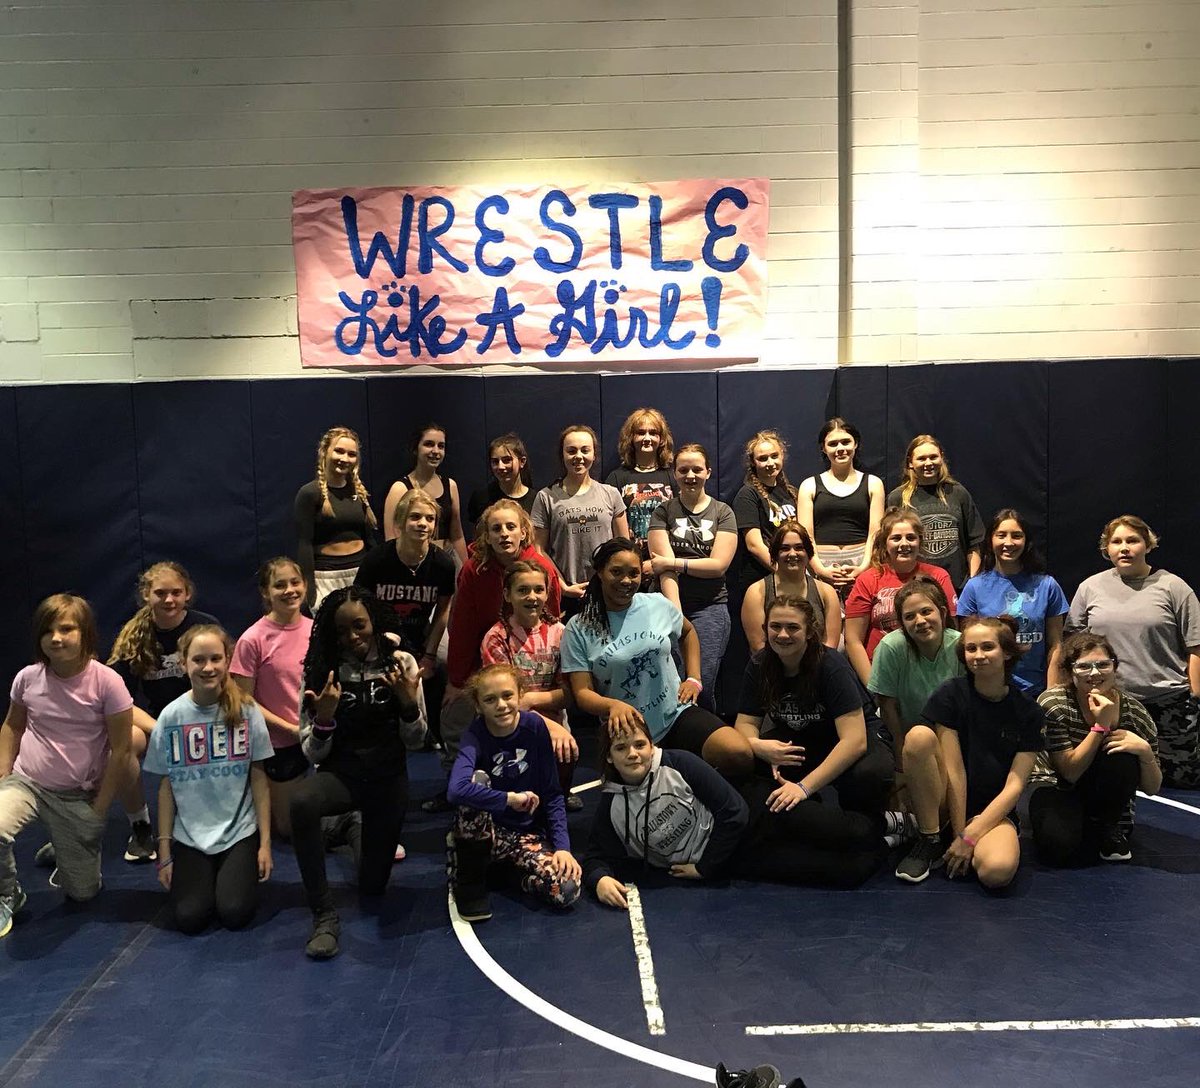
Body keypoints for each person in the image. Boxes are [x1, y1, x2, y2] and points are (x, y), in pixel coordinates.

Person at [583, 715, 884, 903]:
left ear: (651, 745)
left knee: (852, 832)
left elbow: (734, 811)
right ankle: (886, 845)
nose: (633, 754)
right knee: (850, 872)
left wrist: (704, 868)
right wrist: (600, 880)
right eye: (621, 749)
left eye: (639, 744)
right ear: (608, 757)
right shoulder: (613, 803)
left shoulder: (677, 763)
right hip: (739, 858)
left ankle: (894, 825)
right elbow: (596, 855)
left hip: (760, 812)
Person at [290, 587, 426, 959]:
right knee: (301, 802)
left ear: (374, 621)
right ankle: (324, 915)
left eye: (359, 625)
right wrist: (324, 719)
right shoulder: (320, 669)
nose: (353, 636)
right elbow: (311, 751)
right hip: (342, 777)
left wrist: (407, 705)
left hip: (387, 779)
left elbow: (417, 741)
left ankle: (350, 827)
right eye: (342, 630)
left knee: (373, 887)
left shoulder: (402, 664)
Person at [733, 595, 895, 881]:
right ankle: (814, 824)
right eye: (775, 626)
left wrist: (804, 788)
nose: (783, 635)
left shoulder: (830, 665)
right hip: (804, 738)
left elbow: (853, 740)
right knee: (744, 760)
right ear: (765, 628)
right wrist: (758, 746)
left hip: (852, 737)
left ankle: (883, 822)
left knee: (871, 773)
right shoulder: (760, 665)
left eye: (793, 628)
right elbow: (745, 724)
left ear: (810, 632)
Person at [562, 539, 752, 777]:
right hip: (629, 730)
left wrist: (693, 678)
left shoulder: (656, 604)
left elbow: (688, 632)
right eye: (616, 572)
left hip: (675, 714)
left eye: (634, 573)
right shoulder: (578, 628)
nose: (626, 581)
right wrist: (613, 705)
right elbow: (582, 694)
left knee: (738, 753)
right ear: (600, 572)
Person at [0, 595, 133, 937]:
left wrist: (99, 811)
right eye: (48, 630)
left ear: (85, 633)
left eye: (66, 628)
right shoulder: (28, 678)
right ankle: (7, 894)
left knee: (84, 893)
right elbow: (12, 725)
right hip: (27, 782)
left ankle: (64, 845)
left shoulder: (107, 683)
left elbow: (120, 751)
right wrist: (4, 772)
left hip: (75, 797)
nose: (56, 637)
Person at [432, 500, 563, 813]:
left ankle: (552, 785)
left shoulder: (542, 568)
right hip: (486, 653)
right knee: (457, 714)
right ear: (486, 536)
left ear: (523, 532)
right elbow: (462, 627)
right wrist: (457, 680)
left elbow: (552, 619)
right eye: (496, 529)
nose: (504, 534)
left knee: (549, 731)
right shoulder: (473, 570)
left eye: (510, 527)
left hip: (533, 660)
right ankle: (459, 782)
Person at [894, 616, 1043, 888]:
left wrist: (971, 835)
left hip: (990, 810)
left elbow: (1015, 785)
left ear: (1007, 652)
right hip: (944, 801)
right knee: (918, 737)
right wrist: (959, 833)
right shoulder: (951, 694)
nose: (978, 655)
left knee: (996, 873)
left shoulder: (1028, 711)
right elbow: (955, 770)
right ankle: (930, 838)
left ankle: (964, 842)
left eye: (988, 647)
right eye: (971, 648)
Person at [146, 625, 273, 934]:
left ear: (227, 660)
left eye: (216, 658)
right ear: (182, 663)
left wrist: (265, 844)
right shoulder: (171, 717)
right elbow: (165, 789)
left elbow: (259, 779)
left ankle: (231, 871)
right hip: (192, 835)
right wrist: (164, 853)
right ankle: (205, 874)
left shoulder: (247, 711)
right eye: (198, 659)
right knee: (189, 917)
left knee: (234, 912)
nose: (208, 667)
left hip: (238, 831)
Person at [1066, 514, 1200, 788]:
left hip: (1168, 701)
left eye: (1132, 540)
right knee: (1115, 779)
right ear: (1107, 549)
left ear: (1148, 545)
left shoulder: (1174, 587)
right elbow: (1073, 644)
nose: (1124, 548)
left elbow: (1195, 646)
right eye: (1117, 542)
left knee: (1180, 784)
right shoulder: (1090, 588)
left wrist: (1195, 696)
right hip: (1110, 703)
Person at [447, 664, 581, 922]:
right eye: (490, 699)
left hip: (526, 835)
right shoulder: (475, 735)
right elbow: (456, 790)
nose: (501, 705)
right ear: (478, 705)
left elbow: (552, 793)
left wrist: (563, 847)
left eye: (507, 695)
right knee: (475, 782)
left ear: (520, 695)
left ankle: (510, 874)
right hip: (489, 831)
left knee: (566, 889)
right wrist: (509, 799)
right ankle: (470, 879)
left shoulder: (535, 728)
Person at [108, 560, 220, 864]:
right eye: (160, 593)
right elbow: (116, 700)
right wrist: (160, 727)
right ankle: (141, 827)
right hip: (157, 722)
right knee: (125, 741)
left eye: (176, 592)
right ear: (146, 595)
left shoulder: (204, 626)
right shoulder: (133, 635)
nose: (168, 600)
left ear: (187, 594)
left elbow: (225, 683)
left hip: (204, 717)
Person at [1033, 632, 1161, 865]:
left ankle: (1106, 825)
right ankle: (1078, 824)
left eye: (1103, 665)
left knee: (1124, 752)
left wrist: (1145, 752)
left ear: (1114, 668)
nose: (1094, 673)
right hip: (1058, 786)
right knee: (1058, 847)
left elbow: (1152, 788)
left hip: (1104, 790)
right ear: (1070, 671)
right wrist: (1100, 727)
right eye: (1084, 667)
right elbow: (1069, 773)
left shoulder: (1135, 712)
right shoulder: (1054, 704)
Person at [354, 488, 456, 747]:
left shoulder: (443, 563)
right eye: (415, 517)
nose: (423, 524)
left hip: (421, 631)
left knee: (443, 664)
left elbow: (443, 611)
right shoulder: (376, 560)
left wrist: (430, 656)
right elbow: (360, 608)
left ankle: (433, 732)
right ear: (400, 522)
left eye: (429, 519)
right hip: (381, 634)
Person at [480, 561, 580, 810]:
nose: (532, 597)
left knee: (566, 749)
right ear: (507, 595)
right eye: (523, 590)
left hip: (553, 721)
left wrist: (530, 701)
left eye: (538, 589)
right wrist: (548, 727)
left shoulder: (560, 633)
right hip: (508, 724)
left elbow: (568, 694)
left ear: (548, 593)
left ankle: (558, 797)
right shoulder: (496, 638)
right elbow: (504, 702)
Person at [647, 443, 737, 706]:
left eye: (697, 469)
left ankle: (706, 741)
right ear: (674, 473)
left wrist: (675, 562)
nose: (690, 476)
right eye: (683, 470)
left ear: (708, 472)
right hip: (668, 607)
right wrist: (676, 615)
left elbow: (719, 565)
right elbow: (663, 569)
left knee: (702, 683)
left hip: (710, 606)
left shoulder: (723, 512)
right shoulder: (663, 511)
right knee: (671, 681)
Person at [231, 557, 313, 839]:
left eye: (295, 582)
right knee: (289, 829)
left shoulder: (316, 630)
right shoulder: (253, 639)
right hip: (279, 742)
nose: (290, 590)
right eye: (280, 585)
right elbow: (243, 699)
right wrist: (289, 728)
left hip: (317, 735)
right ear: (266, 593)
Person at [957, 508, 1068, 695]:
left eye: (1016, 536)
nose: (1008, 542)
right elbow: (967, 646)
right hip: (990, 691)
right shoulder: (974, 587)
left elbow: (1056, 645)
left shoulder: (1047, 585)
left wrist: (1051, 694)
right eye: (1001, 535)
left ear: (1026, 541)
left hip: (1036, 691)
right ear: (991, 540)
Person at [844, 508, 958, 684]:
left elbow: (951, 632)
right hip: (881, 671)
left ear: (920, 541)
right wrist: (874, 686)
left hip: (930, 674)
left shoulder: (938, 576)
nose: (904, 544)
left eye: (911, 537)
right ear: (885, 544)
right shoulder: (868, 580)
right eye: (896, 538)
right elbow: (853, 640)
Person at [532, 424, 628, 617]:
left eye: (585, 450)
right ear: (563, 455)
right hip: (566, 596)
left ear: (594, 454)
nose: (578, 456)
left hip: (607, 593)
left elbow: (624, 546)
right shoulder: (546, 497)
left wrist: (611, 582)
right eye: (571, 450)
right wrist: (564, 587)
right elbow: (538, 550)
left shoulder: (611, 494)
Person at [868, 576, 963, 763]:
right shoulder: (891, 646)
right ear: (902, 623)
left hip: (951, 734)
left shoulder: (960, 645)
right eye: (910, 616)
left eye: (926, 611)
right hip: (902, 733)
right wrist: (899, 747)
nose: (920, 621)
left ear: (942, 613)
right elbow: (887, 704)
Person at [294, 426, 379, 610]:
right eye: (339, 451)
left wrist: (378, 574)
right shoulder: (310, 493)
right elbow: (305, 543)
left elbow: (369, 539)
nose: (344, 459)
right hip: (326, 577)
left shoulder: (359, 492)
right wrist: (308, 590)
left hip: (360, 574)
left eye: (351, 454)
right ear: (325, 452)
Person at [797, 418, 884, 597]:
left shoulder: (873, 484)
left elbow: (875, 533)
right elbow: (806, 535)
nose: (840, 448)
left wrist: (863, 567)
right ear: (823, 448)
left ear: (856, 444)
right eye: (833, 444)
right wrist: (820, 570)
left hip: (862, 564)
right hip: (820, 564)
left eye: (846, 442)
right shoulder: (809, 485)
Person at [886, 435, 984, 590]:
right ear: (910, 462)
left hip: (957, 587)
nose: (928, 463)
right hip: (914, 589)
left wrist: (973, 583)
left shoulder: (958, 493)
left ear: (941, 458)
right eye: (921, 458)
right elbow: (888, 548)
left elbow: (974, 543)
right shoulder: (897, 498)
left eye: (933, 457)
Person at [741, 522, 841, 654]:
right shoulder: (756, 592)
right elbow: (758, 647)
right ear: (775, 553)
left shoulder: (827, 592)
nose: (792, 554)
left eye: (799, 548)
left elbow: (830, 648)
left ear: (809, 553)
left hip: (817, 669)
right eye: (785, 548)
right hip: (771, 669)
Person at [381, 423, 468, 565]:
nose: (436, 451)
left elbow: (457, 535)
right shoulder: (399, 489)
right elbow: (391, 539)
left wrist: (465, 570)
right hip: (413, 561)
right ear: (416, 449)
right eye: (429, 444)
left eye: (441, 446)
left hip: (447, 560)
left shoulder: (450, 485)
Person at [605, 408, 675, 581]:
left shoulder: (672, 476)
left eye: (653, 433)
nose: (647, 438)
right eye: (640, 433)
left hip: (667, 562)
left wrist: (660, 562)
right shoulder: (617, 477)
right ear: (631, 438)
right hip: (627, 567)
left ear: (661, 439)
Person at [731, 430, 798, 588]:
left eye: (774, 456)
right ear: (753, 462)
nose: (770, 463)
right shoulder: (747, 494)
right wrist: (783, 572)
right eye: (762, 458)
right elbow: (754, 545)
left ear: (782, 455)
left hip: (791, 574)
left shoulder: (791, 492)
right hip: (761, 579)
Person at [466, 433, 536, 525]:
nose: (500, 467)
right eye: (495, 461)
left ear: (522, 461)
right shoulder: (481, 497)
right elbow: (478, 536)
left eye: (507, 460)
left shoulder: (536, 500)